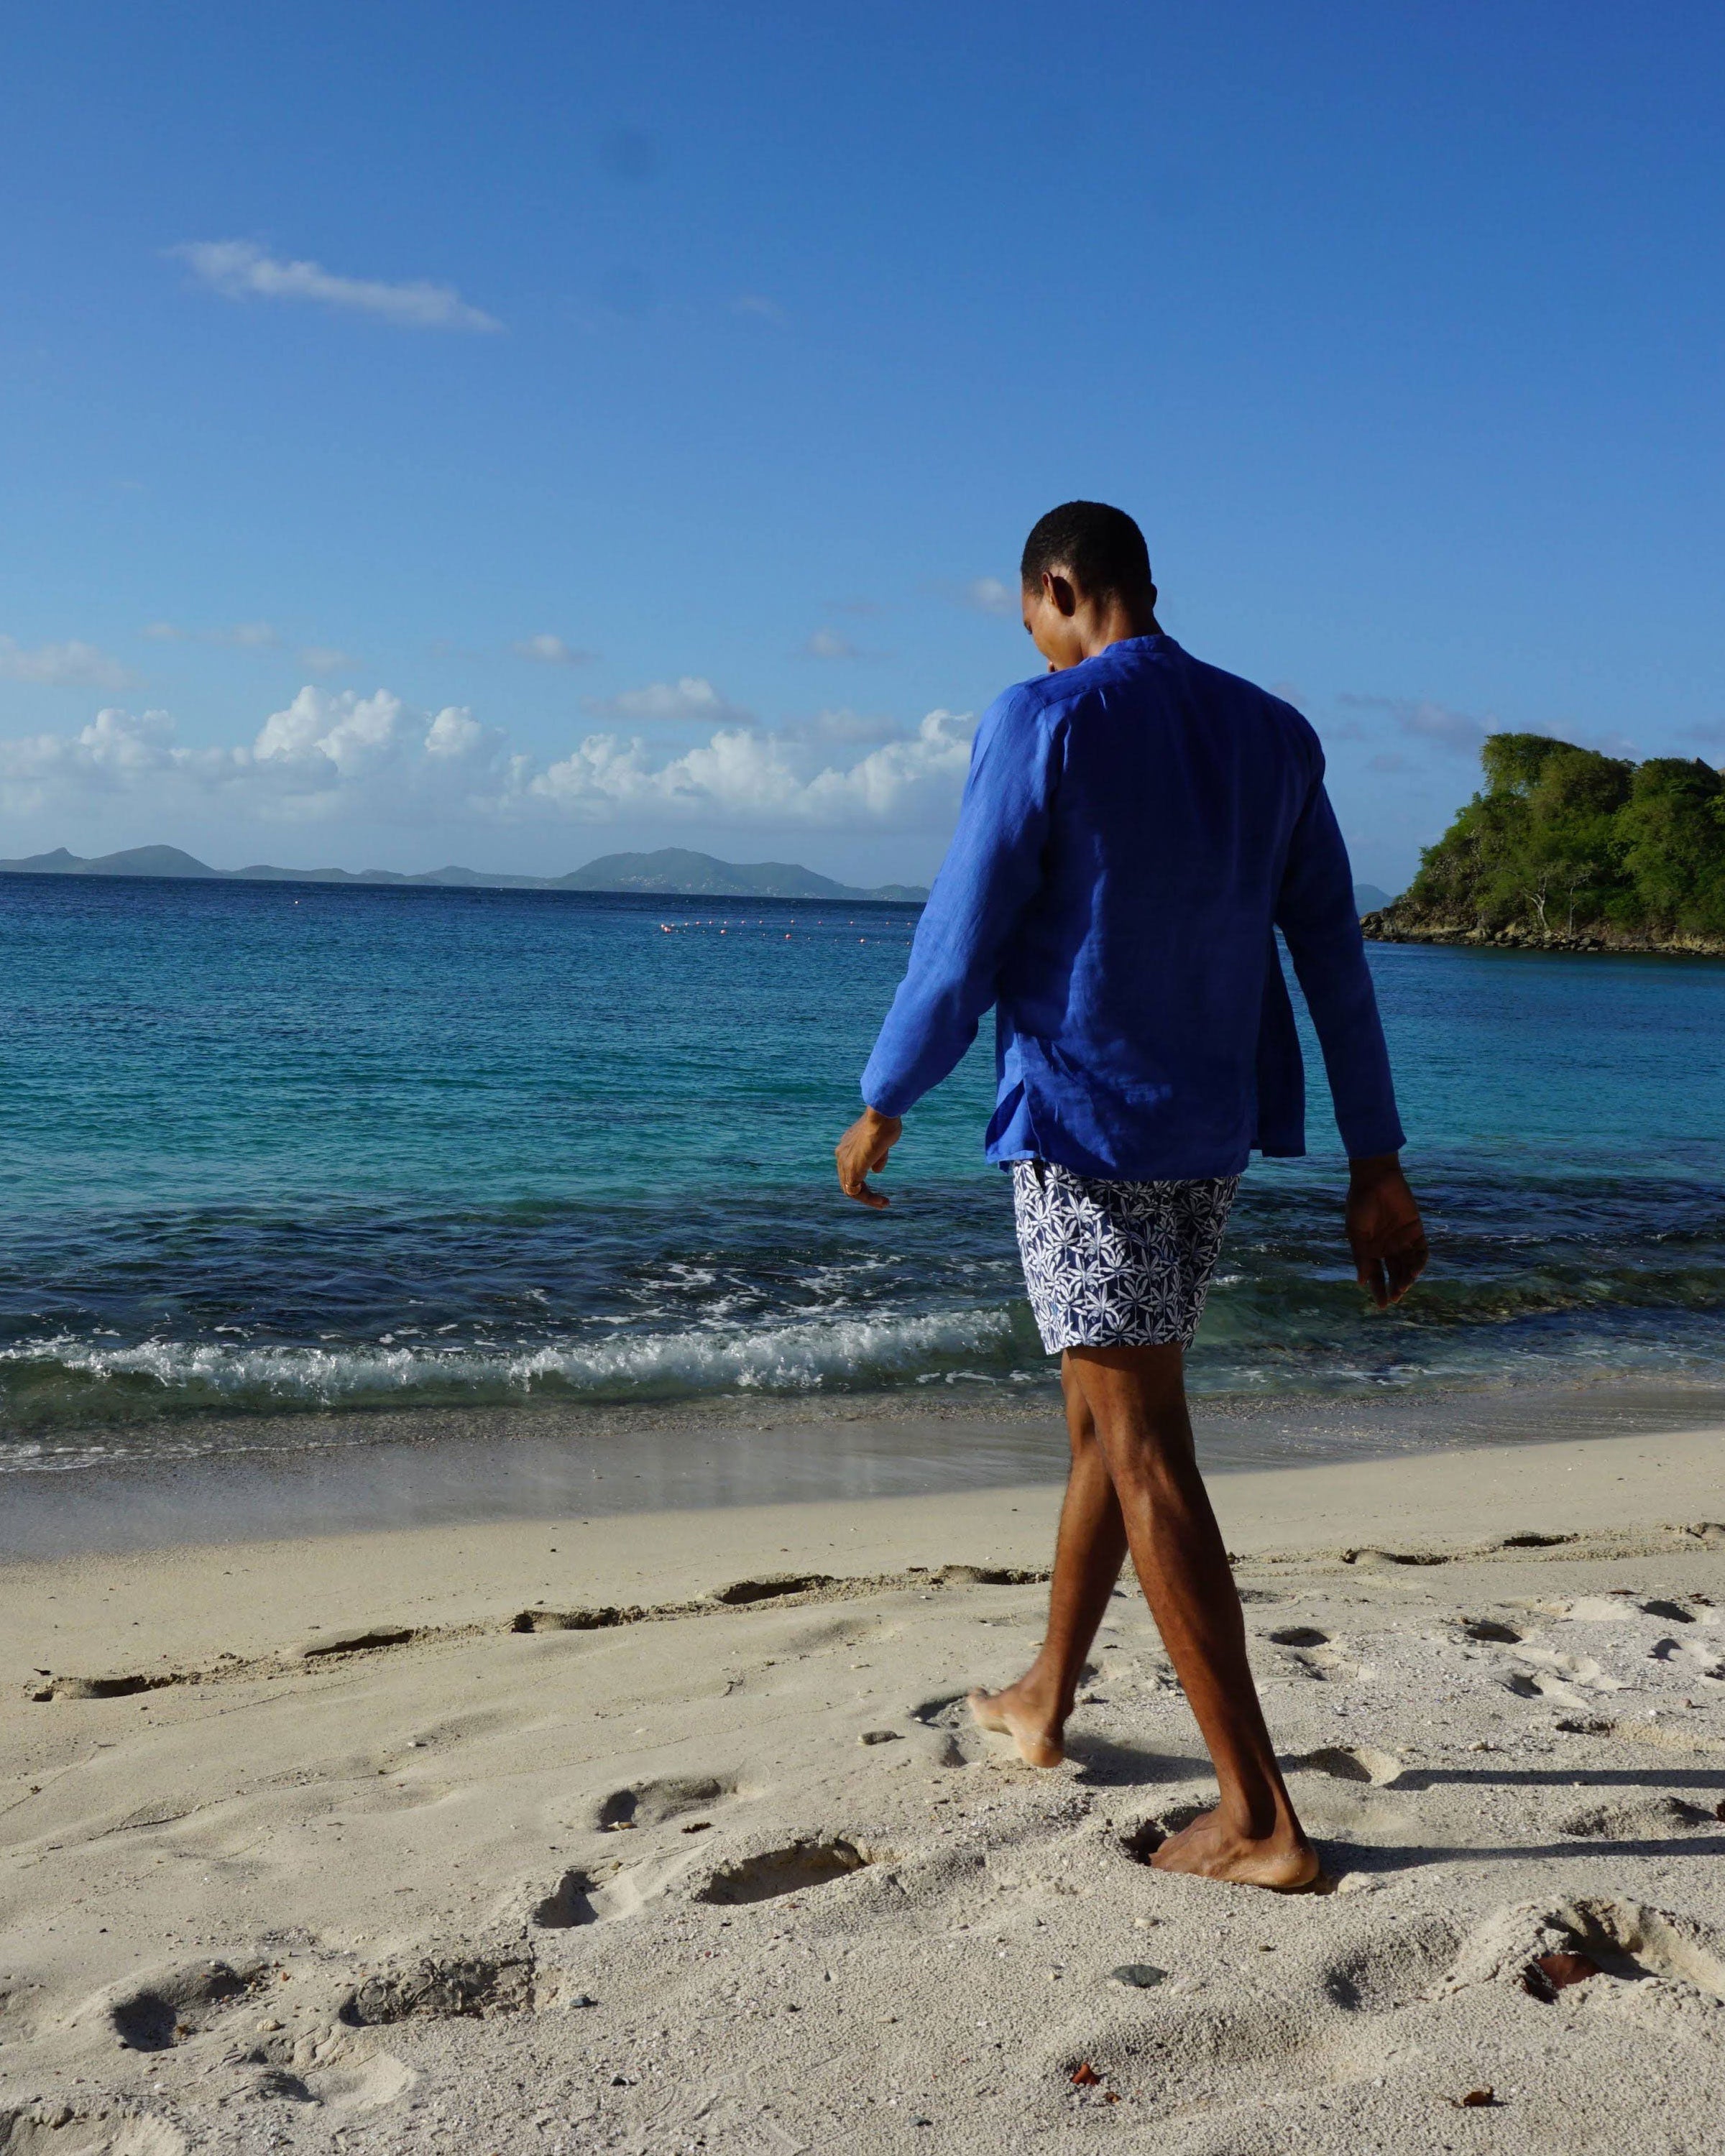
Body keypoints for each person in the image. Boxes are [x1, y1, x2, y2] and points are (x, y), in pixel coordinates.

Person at [834, 501, 1427, 1891]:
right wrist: (1375, 1157)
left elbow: (963, 931)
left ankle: (1263, 1818)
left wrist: (885, 1096)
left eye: (1032, 619)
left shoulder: (1044, 722)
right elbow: (1335, 957)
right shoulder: (1274, 733)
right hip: (1210, 1134)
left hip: (1084, 1131)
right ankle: (1046, 1695)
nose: (1034, 647)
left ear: (1059, 588)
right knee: (1107, 1421)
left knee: (1143, 1438)